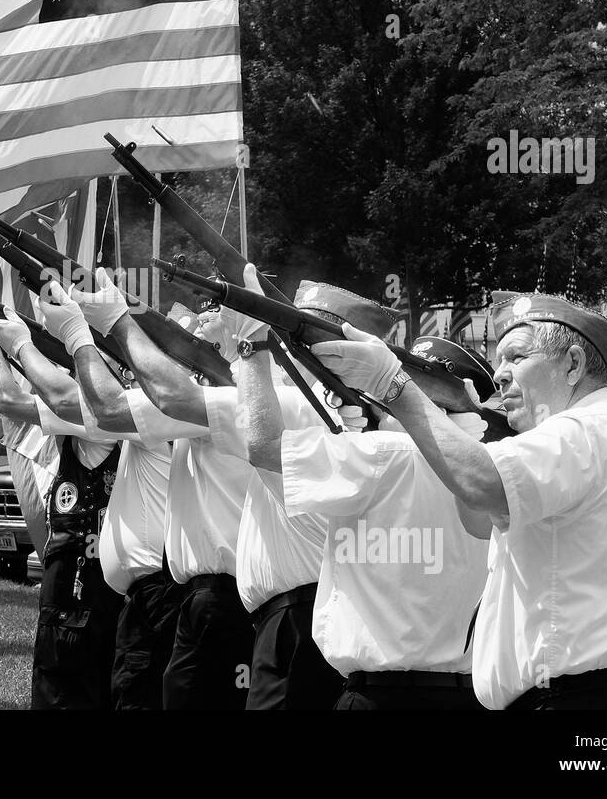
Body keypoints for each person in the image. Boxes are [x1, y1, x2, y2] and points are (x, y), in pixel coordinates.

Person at [309, 291, 607, 709]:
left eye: (517, 357)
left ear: (572, 364)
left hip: (582, 698)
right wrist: (459, 427)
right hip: (587, 695)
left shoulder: (587, 429)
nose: (499, 375)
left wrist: (395, 388)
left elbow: (483, 485)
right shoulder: (605, 429)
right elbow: (479, 518)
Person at [69, 267, 365, 709]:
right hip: (269, 610)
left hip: (275, 611)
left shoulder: (281, 400)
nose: (213, 316)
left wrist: (109, 324)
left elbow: (129, 407)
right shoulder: (316, 406)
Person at [235, 274, 493, 708]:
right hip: (467, 695)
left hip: (379, 695)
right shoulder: (496, 466)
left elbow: (263, 446)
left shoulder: (381, 455)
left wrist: (252, 346)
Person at [0, 313, 124, 710]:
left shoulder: (104, 414)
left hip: (84, 592)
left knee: (64, 692)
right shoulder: (123, 411)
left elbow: (11, 401)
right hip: (98, 587)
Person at [35, 285, 184, 710]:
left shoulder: (163, 410)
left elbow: (68, 400)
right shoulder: (182, 408)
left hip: (157, 594)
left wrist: (34, 341)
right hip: (151, 596)